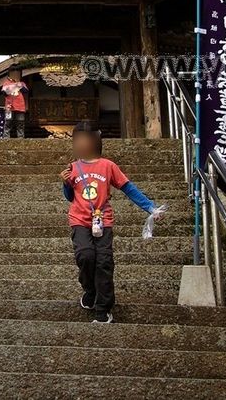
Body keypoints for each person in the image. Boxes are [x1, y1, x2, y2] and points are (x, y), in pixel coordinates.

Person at [60, 120, 164, 323]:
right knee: (85, 256)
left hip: (103, 220)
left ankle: (103, 309)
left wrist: (150, 207)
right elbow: (70, 197)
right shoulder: (73, 167)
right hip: (79, 219)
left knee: (104, 263)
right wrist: (65, 183)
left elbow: (128, 188)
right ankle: (89, 291)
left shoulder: (108, 166)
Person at [1, 68, 29, 138]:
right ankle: (6, 138)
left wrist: (18, 84)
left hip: (20, 106)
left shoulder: (22, 83)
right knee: (8, 122)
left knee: (20, 123)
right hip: (9, 107)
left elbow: (26, 91)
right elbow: (4, 93)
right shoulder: (6, 83)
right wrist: (14, 86)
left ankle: (20, 138)